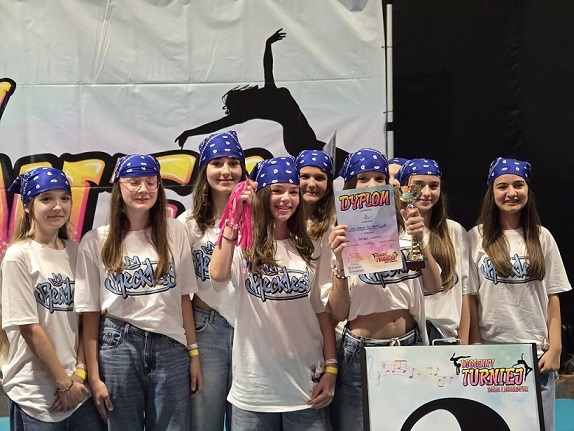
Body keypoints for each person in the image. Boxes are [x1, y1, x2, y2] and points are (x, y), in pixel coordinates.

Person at [74, 154, 202, 430]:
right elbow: (90, 314)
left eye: (150, 182)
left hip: (171, 346)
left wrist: (193, 354)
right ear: (119, 187)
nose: (143, 189)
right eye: (134, 182)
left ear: (159, 187)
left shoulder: (175, 231)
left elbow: (184, 298)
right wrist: (94, 377)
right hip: (118, 347)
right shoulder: (96, 241)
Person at [209, 156, 336, 431]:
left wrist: (332, 366)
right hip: (255, 390)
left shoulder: (311, 249)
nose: (286, 199)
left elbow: (320, 310)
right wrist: (233, 218)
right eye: (277, 191)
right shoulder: (242, 247)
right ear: (263, 195)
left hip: (306, 387)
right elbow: (217, 274)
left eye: (292, 192)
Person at [327, 148, 442, 431]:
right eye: (363, 178)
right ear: (350, 185)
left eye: (379, 178)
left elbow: (433, 285)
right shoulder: (339, 234)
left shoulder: (407, 226)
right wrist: (340, 261)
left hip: (408, 344)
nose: (372, 185)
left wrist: (419, 240)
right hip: (361, 350)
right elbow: (338, 312)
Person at [468, 157, 571, 431]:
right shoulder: (475, 237)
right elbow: (471, 298)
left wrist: (556, 348)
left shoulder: (542, 237)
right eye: (502, 186)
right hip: (491, 356)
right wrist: (475, 346)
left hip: (536, 356)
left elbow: (553, 297)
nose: (511, 192)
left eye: (518, 185)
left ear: (528, 190)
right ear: (491, 192)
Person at [0, 167, 104, 430]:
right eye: (46, 198)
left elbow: (87, 317)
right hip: (36, 395)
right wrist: (63, 383)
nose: (58, 206)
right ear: (28, 206)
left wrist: (79, 373)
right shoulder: (19, 256)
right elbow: (29, 328)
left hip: (80, 391)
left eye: (64, 198)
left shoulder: (77, 252)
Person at [177, 130, 248, 431]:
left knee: (246, 420)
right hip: (207, 328)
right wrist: (192, 348)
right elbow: (182, 293)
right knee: (204, 421)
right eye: (217, 163)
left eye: (233, 163)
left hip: (250, 327)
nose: (226, 171)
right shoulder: (187, 223)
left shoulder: (259, 218)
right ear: (204, 170)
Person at [397, 158, 470, 344]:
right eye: (418, 185)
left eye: (433, 186)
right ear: (403, 189)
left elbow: (465, 292)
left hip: (446, 337)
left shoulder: (454, 231)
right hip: (407, 337)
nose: (426, 193)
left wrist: (464, 343)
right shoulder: (392, 234)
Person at [295, 149, 336, 244]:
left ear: (328, 184)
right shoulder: (282, 221)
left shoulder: (338, 222)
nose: (312, 184)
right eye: (305, 177)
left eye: (319, 178)